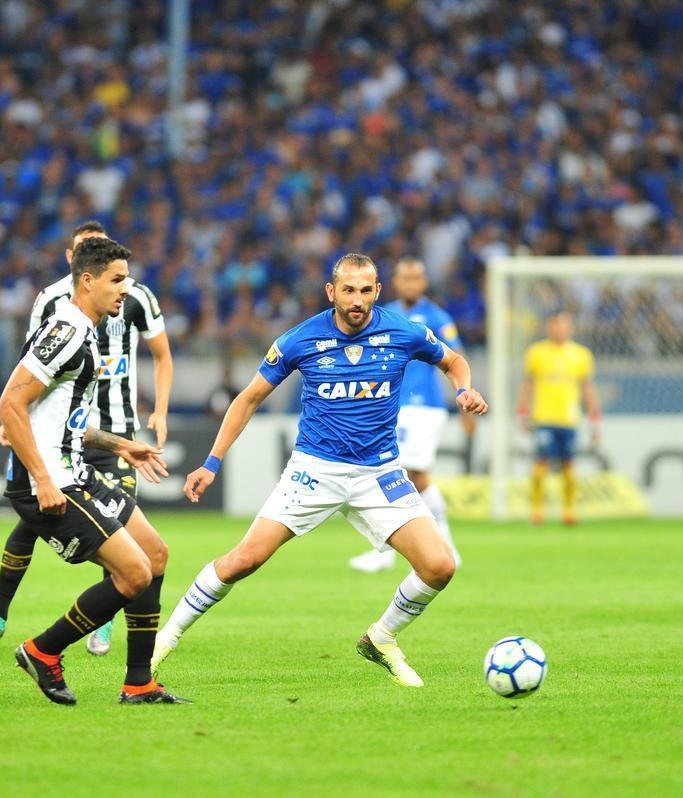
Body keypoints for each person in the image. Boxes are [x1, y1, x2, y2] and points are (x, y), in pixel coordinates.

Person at [151, 253, 488, 688]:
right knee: (243, 560)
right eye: (348, 290)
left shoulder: (403, 332)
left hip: (378, 473)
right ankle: (166, 638)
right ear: (331, 292)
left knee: (440, 565)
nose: (357, 300)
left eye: (366, 290)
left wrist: (464, 389)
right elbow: (248, 398)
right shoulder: (300, 339)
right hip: (314, 470)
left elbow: (454, 360)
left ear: (377, 292)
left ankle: (381, 639)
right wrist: (211, 462)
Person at [0, 236, 187, 705]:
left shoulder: (89, 330)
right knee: (134, 573)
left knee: (154, 555)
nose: (126, 289)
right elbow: (9, 404)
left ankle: (139, 682)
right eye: (117, 280)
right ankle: (43, 651)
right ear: (88, 280)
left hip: (77, 470)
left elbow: (61, 420)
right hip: (50, 482)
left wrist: (123, 445)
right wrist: (41, 479)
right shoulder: (64, 330)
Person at [348, 257, 474, 573]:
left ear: (424, 282)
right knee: (401, 476)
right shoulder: (382, 314)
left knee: (409, 476)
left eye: (416, 278)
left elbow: (454, 359)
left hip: (424, 407)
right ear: (395, 281)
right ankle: (425, 547)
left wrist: (464, 400)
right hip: (390, 406)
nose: (410, 284)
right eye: (405, 278)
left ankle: (414, 548)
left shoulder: (437, 317)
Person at [515, 312, 601, 525]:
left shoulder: (581, 355)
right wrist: (523, 412)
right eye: (556, 325)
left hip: (570, 419)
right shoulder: (536, 352)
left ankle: (569, 511)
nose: (560, 329)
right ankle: (536, 511)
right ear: (549, 327)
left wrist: (594, 417)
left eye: (565, 325)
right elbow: (527, 384)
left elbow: (587, 387)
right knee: (540, 463)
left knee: (569, 465)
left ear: (570, 328)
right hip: (543, 417)